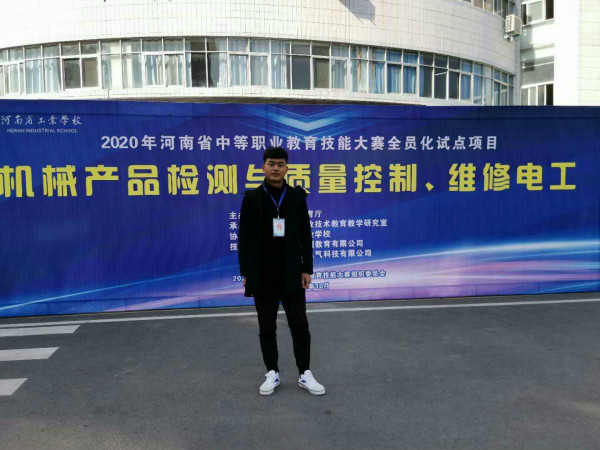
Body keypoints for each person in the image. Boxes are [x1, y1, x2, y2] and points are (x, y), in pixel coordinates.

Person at [238, 146, 325, 396]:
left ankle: (304, 372)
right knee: (267, 326)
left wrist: (307, 268)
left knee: (299, 324)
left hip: (292, 272)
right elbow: (244, 238)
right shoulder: (252, 198)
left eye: (280, 164)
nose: (276, 168)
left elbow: (306, 235)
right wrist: (246, 272)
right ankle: (272, 372)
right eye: (271, 163)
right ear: (263, 167)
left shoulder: (297, 197)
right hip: (262, 274)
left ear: (287, 168)